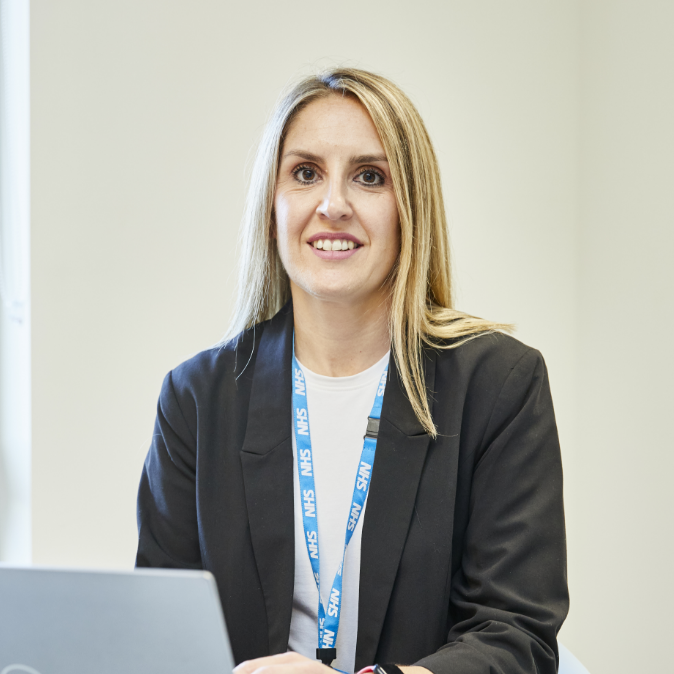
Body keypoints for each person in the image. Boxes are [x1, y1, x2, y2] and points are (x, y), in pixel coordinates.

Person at [136, 68, 568, 674]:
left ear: (409, 207)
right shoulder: (197, 398)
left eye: (369, 177)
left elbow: (515, 636)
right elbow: (160, 634)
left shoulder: (498, 384)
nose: (332, 205)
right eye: (305, 173)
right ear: (273, 203)